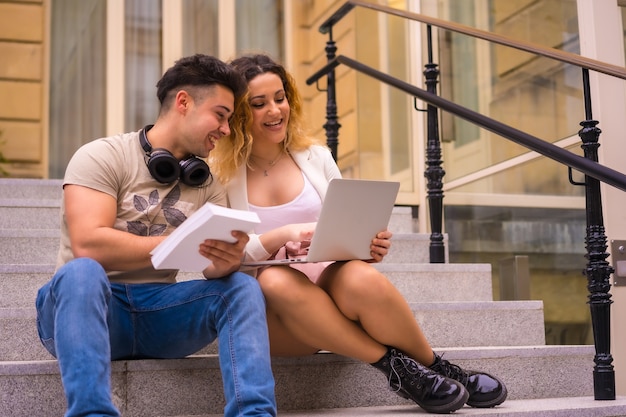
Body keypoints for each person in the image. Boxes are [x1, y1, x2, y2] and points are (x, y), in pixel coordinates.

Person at [210, 53, 508, 414]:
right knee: (275, 279)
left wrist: (367, 245)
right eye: (259, 104)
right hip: (275, 316)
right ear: (239, 112)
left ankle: (434, 367)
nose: (275, 111)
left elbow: (344, 221)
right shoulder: (220, 175)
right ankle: (396, 368)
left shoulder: (315, 156)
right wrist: (281, 235)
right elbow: (218, 262)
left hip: (331, 295)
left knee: (358, 276)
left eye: (280, 97)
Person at [35, 54, 276, 417]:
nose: (226, 129)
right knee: (80, 271)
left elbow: (211, 273)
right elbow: (89, 243)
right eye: (221, 115)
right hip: (90, 308)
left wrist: (223, 261)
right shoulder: (102, 156)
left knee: (242, 287)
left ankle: (254, 414)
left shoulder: (208, 183)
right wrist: (179, 244)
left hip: (161, 311)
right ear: (183, 102)